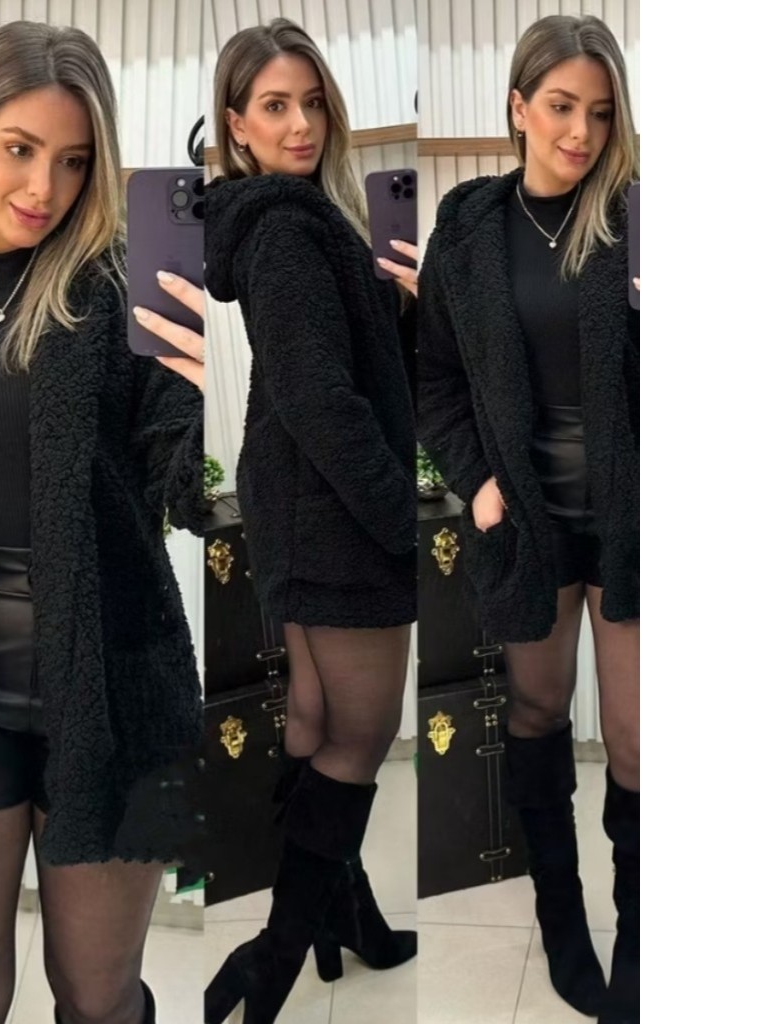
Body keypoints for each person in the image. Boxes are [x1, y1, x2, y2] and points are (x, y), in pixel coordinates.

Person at [0, 21, 205, 1024]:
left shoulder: (122, 294)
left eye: (73, 161)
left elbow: (190, 494)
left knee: (100, 999)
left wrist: (219, 390)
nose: (44, 187)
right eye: (19, 149)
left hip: (112, 691)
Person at [417, 14, 639, 1024]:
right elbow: (433, 377)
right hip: (527, 525)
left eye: (599, 112)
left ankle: (642, 934)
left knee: (638, 743)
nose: (579, 131)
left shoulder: (638, 217)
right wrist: (476, 482)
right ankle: (561, 918)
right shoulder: (468, 226)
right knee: (539, 714)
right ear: (517, 106)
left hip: (633, 522)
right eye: (559, 106)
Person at [203, 18, 417, 1024]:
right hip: (336, 513)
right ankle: (273, 962)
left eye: (312, 102)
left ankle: (347, 919)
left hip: (297, 504)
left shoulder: (293, 220)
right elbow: (320, 397)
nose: (300, 124)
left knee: (318, 724)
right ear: (236, 126)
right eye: (274, 106)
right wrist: (399, 517)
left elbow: (333, 366)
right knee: (360, 739)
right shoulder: (290, 229)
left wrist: (402, 303)